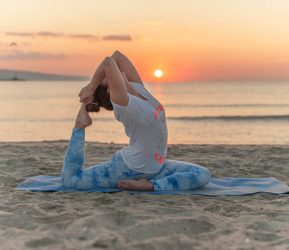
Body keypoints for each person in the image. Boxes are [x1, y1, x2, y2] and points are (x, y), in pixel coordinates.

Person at [61, 51, 211, 191]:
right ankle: (80, 125)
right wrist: (91, 87)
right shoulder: (123, 103)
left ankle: (150, 185)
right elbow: (108, 63)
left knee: (203, 174)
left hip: (155, 167)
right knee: (71, 181)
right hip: (128, 167)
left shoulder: (137, 88)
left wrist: (152, 185)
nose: (108, 74)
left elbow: (117, 56)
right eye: (107, 77)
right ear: (110, 90)